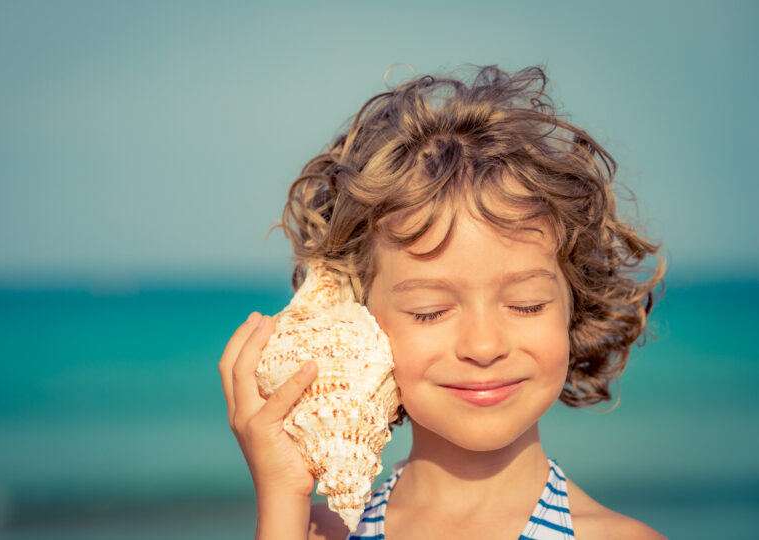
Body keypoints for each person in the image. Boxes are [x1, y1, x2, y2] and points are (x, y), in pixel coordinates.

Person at [219, 65, 667, 540]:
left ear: (574, 302)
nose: (483, 345)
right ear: (359, 323)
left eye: (527, 304)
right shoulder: (310, 532)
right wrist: (284, 496)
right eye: (430, 311)